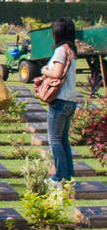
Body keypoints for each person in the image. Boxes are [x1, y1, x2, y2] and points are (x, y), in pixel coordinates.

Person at [41, 17, 79, 184]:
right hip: (71, 100)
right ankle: (67, 174)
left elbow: (56, 74)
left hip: (60, 100)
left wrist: (43, 70)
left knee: (55, 140)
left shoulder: (60, 51)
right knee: (63, 140)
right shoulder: (72, 50)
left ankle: (59, 176)